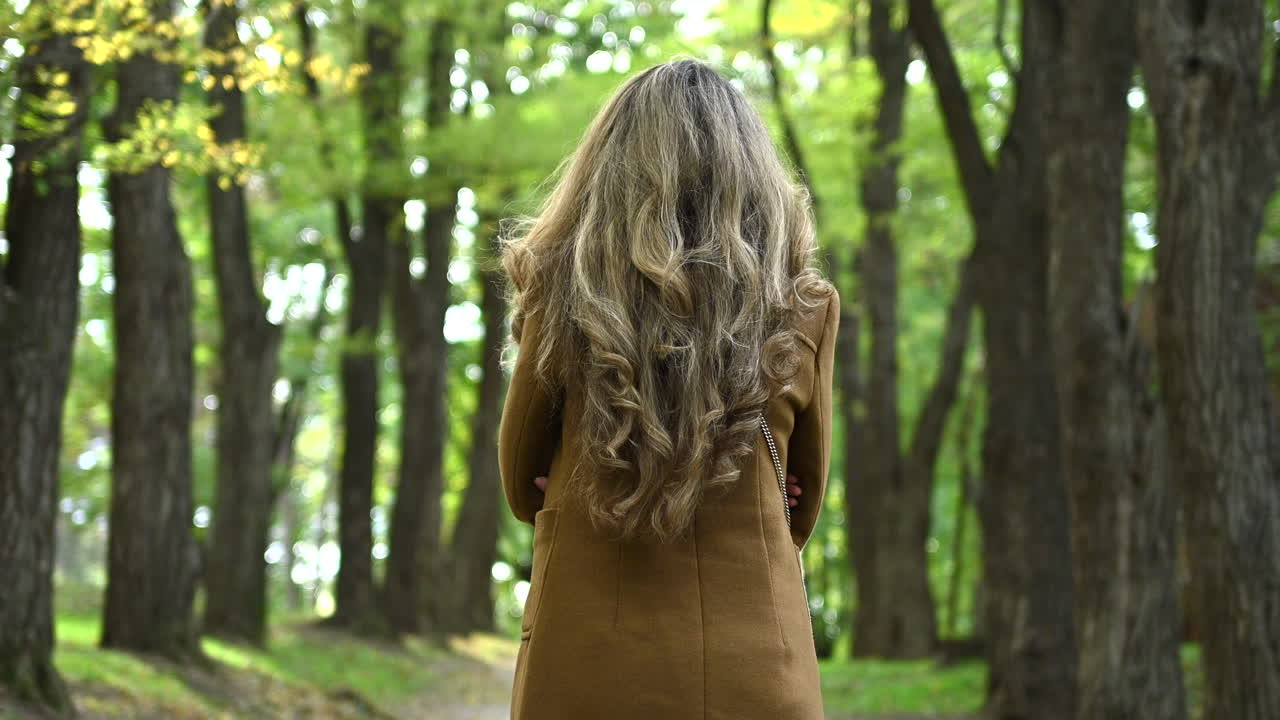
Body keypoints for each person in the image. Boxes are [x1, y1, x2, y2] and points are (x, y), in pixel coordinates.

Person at [496, 57, 839, 720]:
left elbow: (520, 483)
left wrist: (578, 467)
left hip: (584, 664)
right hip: (757, 670)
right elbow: (801, 505)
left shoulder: (560, 290)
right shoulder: (805, 307)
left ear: (607, 170)